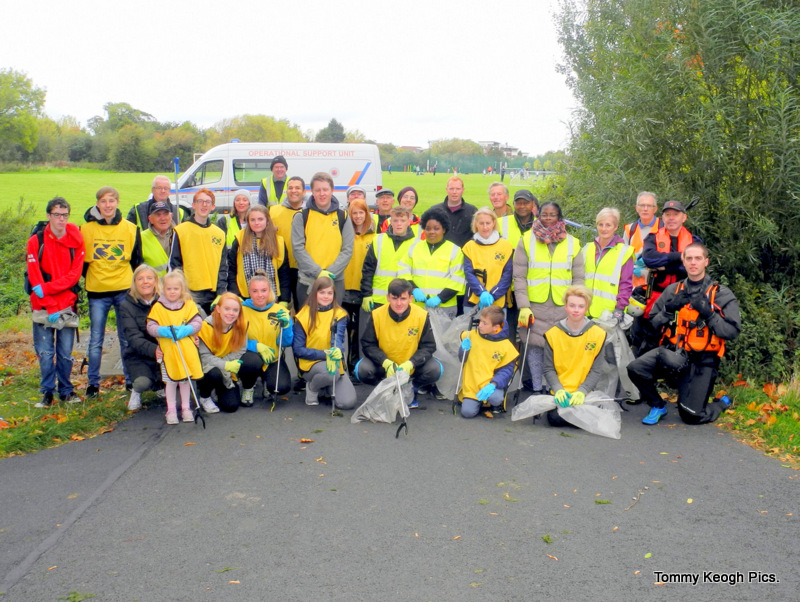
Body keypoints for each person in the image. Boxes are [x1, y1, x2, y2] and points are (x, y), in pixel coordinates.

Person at [627, 243, 741, 425]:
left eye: (698, 258)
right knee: (635, 368)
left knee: (691, 415)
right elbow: (653, 325)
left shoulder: (721, 294)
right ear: (684, 261)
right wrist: (668, 310)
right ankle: (657, 404)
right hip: (675, 354)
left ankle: (720, 404)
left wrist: (709, 314)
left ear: (706, 262)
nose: (693, 263)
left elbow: (731, 332)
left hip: (703, 360)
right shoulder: (673, 290)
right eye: (689, 258)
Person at [513, 201, 584, 395]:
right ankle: (537, 388)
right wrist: (524, 306)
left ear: (559, 217)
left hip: (563, 307)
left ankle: (554, 389)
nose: (548, 218)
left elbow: (578, 278)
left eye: (552, 215)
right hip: (535, 305)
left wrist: (576, 305)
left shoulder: (573, 243)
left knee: (558, 349)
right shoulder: (526, 240)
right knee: (535, 347)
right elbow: (518, 276)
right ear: (538, 216)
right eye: (544, 214)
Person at [81, 186, 142, 397]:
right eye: (103, 201)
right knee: (96, 339)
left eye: (111, 201)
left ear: (117, 203)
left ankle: (131, 381)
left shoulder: (130, 229)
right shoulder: (86, 229)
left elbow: (136, 261)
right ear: (97, 204)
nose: (108, 205)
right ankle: (93, 385)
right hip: (97, 292)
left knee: (125, 338)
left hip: (123, 290)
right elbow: (81, 263)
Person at [28, 197, 85, 407]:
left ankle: (66, 391)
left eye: (65, 215)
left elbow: (73, 276)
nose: (61, 219)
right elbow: (35, 278)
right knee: (45, 353)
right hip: (42, 306)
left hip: (67, 304)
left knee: (65, 353)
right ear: (48, 216)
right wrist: (50, 303)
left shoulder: (76, 240)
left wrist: (48, 289)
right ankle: (47, 392)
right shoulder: (36, 241)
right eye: (57, 215)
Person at [355, 279, 440, 408]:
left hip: (410, 366)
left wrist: (411, 363)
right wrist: (385, 362)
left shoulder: (421, 315)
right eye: (394, 298)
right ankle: (385, 388)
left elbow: (429, 346)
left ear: (410, 298)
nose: (399, 303)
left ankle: (412, 389)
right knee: (362, 369)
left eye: (403, 299)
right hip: (385, 366)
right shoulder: (376, 315)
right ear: (388, 297)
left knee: (435, 369)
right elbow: (367, 344)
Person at [634, 200, 701, 355]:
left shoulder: (694, 241)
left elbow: (693, 268)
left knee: (680, 337)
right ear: (662, 218)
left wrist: (665, 266)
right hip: (656, 296)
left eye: (675, 215)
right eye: (667, 215)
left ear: (683, 218)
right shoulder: (652, 238)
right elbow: (650, 259)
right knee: (649, 337)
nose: (671, 218)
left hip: (684, 296)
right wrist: (680, 256)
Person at [542, 286, 610, 427]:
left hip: (584, 392)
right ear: (565, 306)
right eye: (572, 305)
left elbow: (596, 370)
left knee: (582, 419)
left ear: (587, 308)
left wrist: (582, 391)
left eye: (581, 306)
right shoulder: (552, 334)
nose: (576, 310)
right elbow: (548, 368)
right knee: (556, 419)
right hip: (561, 392)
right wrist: (558, 389)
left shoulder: (598, 334)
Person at [146, 270, 204, 424]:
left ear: (182, 289)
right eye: (168, 289)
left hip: (186, 351)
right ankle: (171, 409)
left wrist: (188, 329)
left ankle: (186, 408)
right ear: (163, 289)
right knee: (171, 381)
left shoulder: (189, 305)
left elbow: (198, 323)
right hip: (168, 352)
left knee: (185, 380)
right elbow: (150, 326)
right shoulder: (158, 307)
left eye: (175, 289)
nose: (172, 292)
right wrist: (162, 331)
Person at [292, 276, 357, 409]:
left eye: (329, 293)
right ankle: (312, 387)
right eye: (322, 292)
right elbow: (298, 350)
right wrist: (326, 355)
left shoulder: (340, 314)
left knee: (347, 403)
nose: (326, 296)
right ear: (314, 293)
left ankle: (326, 387)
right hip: (311, 364)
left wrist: (337, 350)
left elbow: (337, 339)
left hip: (333, 362)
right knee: (329, 373)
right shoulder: (303, 315)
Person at [291, 172, 354, 305]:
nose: (322, 193)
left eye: (325, 189)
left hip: (335, 281)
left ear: (332, 190)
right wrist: (318, 273)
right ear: (312, 192)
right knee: (307, 323)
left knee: (333, 324)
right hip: (308, 282)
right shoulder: (301, 216)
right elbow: (298, 249)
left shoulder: (343, 217)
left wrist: (329, 274)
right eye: (318, 190)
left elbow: (347, 250)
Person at [397, 206, 466, 319]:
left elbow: (458, 279)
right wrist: (414, 289)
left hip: (444, 307)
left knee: (442, 337)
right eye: (428, 228)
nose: (431, 232)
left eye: (436, 228)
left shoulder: (455, 250)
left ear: (443, 229)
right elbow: (403, 271)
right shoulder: (414, 248)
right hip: (417, 304)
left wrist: (440, 298)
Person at [196, 293, 260, 413]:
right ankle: (205, 396)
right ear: (218, 309)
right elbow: (204, 357)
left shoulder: (241, 325)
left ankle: (223, 388)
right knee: (213, 374)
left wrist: (226, 365)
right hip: (210, 368)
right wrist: (224, 365)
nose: (231, 313)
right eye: (227, 309)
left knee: (231, 406)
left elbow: (241, 349)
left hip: (227, 368)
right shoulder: (204, 327)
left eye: (235, 310)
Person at [170, 188, 227, 316]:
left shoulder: (219, 234)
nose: (204, 205)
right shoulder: (181, 231)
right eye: (200, 201)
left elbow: (223, 266)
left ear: (213, 206)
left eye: (208, 202)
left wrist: (221, 291)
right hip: (191, 292)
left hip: (213, 293)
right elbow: (175, 264)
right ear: (194, 205)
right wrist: (181, 291)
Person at [240, 272, 293, 406]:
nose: (260, 295)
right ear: (249, 292)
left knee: (282, 386)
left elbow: (286, 342)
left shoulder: (281, 311)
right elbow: (234, 339)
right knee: (252, 361)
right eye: (255, 291)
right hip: (250, 356)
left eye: (264, 290)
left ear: (270, 291)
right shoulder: (241, 310)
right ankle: (248, 387)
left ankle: (267, 383)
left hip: (272, 358)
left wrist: (286, 326)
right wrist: (255, 346)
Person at [457, 306, 518, 418]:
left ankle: (487, 401)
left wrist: (493, 384)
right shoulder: (470, 335)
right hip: (472, 385)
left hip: (490, 385)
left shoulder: (506, 346)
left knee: (496, 399)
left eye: (485, 323)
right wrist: (463, 349)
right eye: (480, 321)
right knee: (467, 413)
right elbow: (462, 359)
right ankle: (479, 403)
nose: (480, 325)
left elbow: (506, 371)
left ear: (496, 327)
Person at [119, 265, 164, 412]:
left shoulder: (165, 301)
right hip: (139, 355)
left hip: (164, 353)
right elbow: (133, 337)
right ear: (135, 283)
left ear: (155, 281)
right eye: (140, 279)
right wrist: (154, 350)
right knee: (142, 383)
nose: (145, 282)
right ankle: (136, 392)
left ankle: (159, 386)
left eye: (149, 278)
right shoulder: (126, 306)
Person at [227, 205, 290, 303]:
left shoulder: (278, 241)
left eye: (260, 219)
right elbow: (232, 269)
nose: (256, 223)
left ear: (267, 220)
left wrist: (285, 299)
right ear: (248, 222)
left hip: (271, 296)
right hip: (245, 296)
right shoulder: (240, 239)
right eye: (252, 220)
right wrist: (235, 294)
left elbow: (284, 272)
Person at [342, 198, 377, 370]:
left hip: (363, 291)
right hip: (345, 289)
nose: (357, 216)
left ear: (367, 214)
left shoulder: (375, 237)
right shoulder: (344, 235)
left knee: (360, 331)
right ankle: (344, 364)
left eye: (361, 212)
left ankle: (357, 363)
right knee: (344, 329)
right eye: (354, 213)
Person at [360, 206, 416, 311]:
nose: (399, 224)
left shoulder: (417, 244)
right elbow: (368, 269)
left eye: (402, 220)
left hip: (402, 300)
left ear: (409, 222)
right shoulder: (378, 240)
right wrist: (366, 294)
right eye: (395, 220)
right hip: (378, 299)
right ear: (390, 221)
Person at [582, 207, 634, 321]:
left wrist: (620, 308)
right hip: (584, 311)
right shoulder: (587, 249)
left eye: (608, 225)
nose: (604, 229)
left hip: (609, 314)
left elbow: (626, 284)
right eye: (600, 224)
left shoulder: (624, 252)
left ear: (615, 227)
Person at [501, 189, 539, 341]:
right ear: (514, 204)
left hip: (531, 287)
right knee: (507, 329)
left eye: (526, 203)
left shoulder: (541, 225)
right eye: (519, 203)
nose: (522, 206)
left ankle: (525, 363)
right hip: (507, 287)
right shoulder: (502, 223)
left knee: (529, 331)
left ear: (532, 205)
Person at [462, 207, 514, 310]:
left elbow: (507, 275)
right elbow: (469, 273)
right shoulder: (469, 246)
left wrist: (493, 295)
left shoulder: (505, 245)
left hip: (498, 301)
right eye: (481, 223)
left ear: (494, 223)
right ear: (476, 224)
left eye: (488, 223)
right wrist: (482, 293)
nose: (485, 227)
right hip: (473, 301)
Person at [269, 176, 306, 307]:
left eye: (297, 188)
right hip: (279, 268)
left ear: (304, 191)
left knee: (302, 308)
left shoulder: (310, 212)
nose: (293, 191)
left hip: (302, 268)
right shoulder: (273, 211)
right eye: (290, 188)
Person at [623, 192, 660, 289]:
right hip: (634, 288)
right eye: (642, 205)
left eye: (649, 206)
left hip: (657, 286)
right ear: (636, 208)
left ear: (655, 209)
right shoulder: (630, 229)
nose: (645, 209)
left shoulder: (663, 228)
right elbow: (624, 260)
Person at [430, 176, 477, 248]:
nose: (454, 192)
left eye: (458, 189)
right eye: (451, 189)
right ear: (446, 190)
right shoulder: (435, 211)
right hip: (441, 256)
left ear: (463, 190)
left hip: (464, 255)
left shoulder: (472, 211)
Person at [140, 200, 174, 276]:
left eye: (165, 214)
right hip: (153, 286)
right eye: (158, 215)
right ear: (150, 219)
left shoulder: (179, 234)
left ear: (171, 216)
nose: (162, 218)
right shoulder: (141, 238)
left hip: (176, 286)